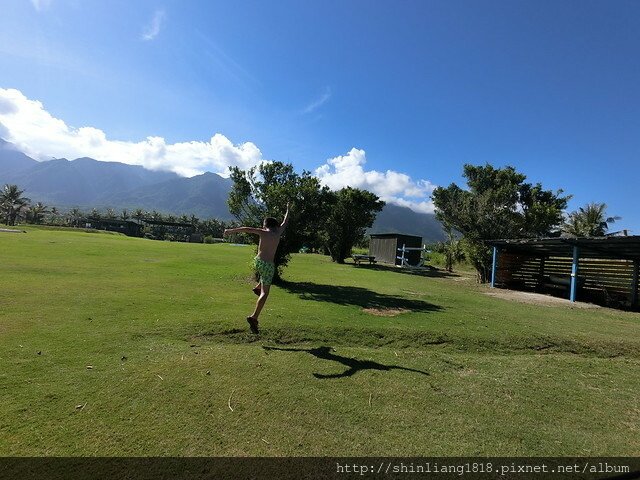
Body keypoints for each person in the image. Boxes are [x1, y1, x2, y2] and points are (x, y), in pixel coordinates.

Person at [223, 203, 290, 334]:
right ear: (275, 225)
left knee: (264, 275)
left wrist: (230, 231)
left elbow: (247, 229)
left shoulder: (263, 233)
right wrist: (288, 209)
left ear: (265, 225)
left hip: (257, 262)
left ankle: (258, 286)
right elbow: (286, 221)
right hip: (268, 265)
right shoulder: (278, 232)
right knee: (265, 293)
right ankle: (254, 317)